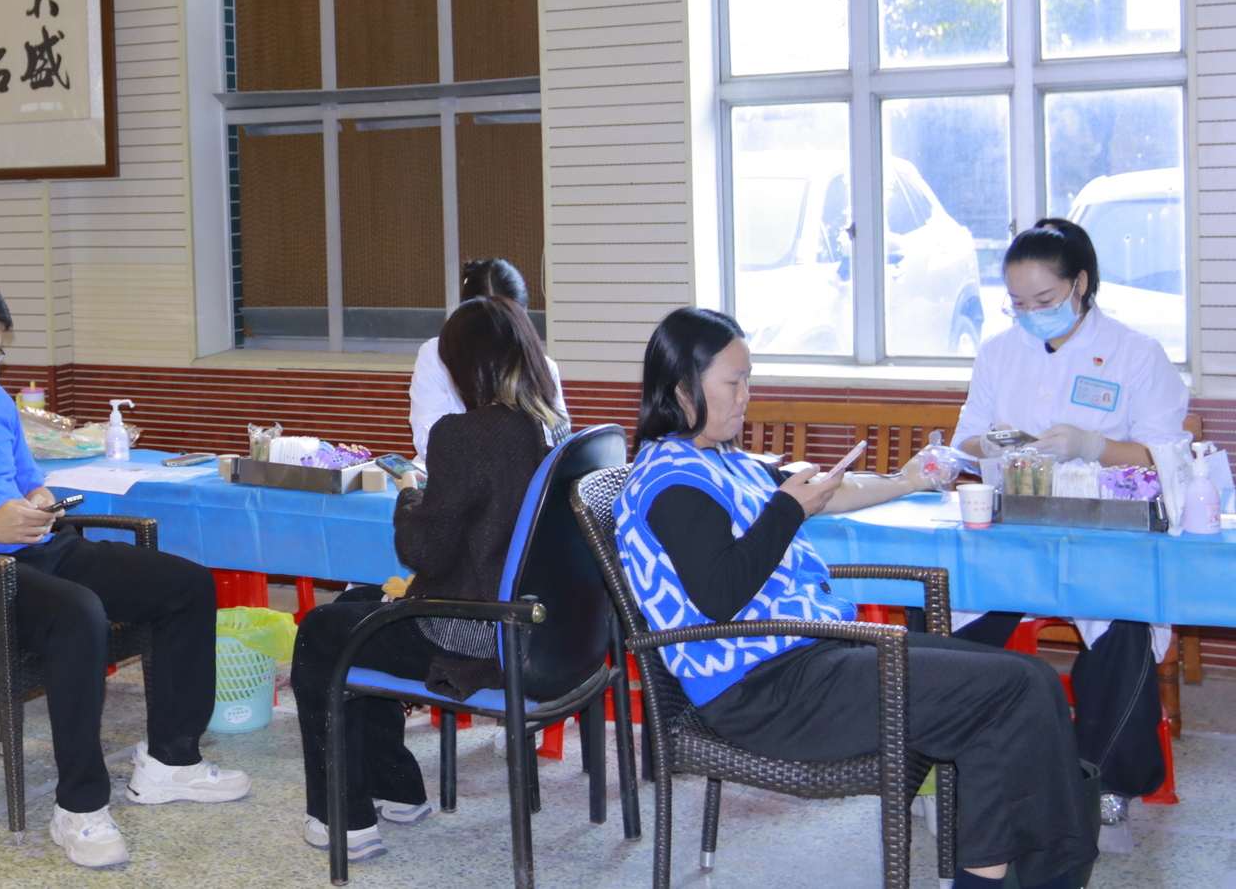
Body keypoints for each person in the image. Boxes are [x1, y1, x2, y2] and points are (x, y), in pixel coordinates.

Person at [617, 306, 1095, 889]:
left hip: (807, 659)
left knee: (1030, 680)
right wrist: (787, 511)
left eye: (749, 379)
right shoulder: (671, 482)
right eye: (733, 382)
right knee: (1011, 691)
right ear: (681, 389)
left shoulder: (720, 459)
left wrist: (908, 480)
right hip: (765, 692)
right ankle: (1046, 875)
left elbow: (828, 493)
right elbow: (719, 596)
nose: (746, 396)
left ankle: (1016, 875)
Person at [0, 271, 248, 869]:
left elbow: (28, 481)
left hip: (35, 548)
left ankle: (171, 761)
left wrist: (38, 502)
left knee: (185, 584)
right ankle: (79, 806)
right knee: (77, 614)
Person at [292, 295, 571, 862]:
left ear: (467, 366)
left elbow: (421, 549)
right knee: (358, 607)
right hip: (544, 631)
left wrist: (409, 495)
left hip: (477, 633)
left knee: (321, 631)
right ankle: (396, 789)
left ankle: (343, 818)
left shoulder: (465, 434)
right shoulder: (560, 429)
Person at [952, 217, 1186, 826]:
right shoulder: (1001, 352)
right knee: (948, 613)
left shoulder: (1137, 354)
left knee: (1123, 622)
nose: (1030, 315)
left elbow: (1166, 457)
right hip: (1011, 530)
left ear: (1080, 284)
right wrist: (993, 444)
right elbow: (964, 442)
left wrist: (1094, 445)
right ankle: (958, 761)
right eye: (1017, 304)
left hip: (1104, 534)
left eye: (1044, 300)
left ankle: (1105, 780)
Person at [408, 258, 568, 460]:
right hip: (451, 471)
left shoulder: (541, 365)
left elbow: (558, 445)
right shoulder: (436, 354)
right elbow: (428, 442)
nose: (495, 334)